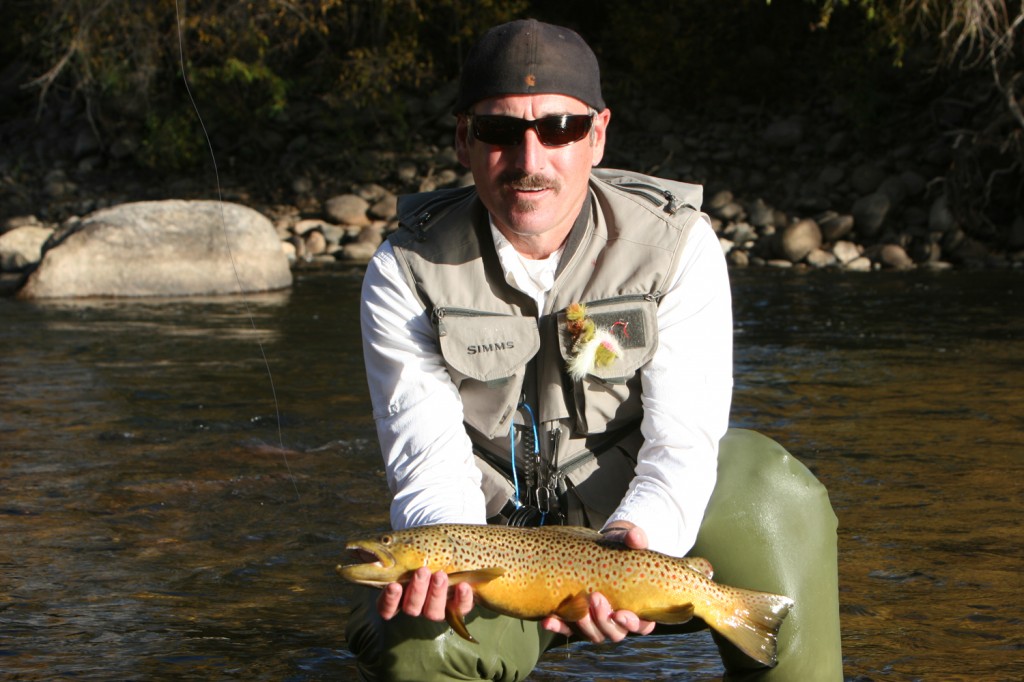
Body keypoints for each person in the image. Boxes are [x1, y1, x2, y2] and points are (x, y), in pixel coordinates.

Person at [347, 18, 842, 681]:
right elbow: (427, 460)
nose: (530, 161)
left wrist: (635, 548)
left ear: (598, 135)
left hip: (638, 527)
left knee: (772, 488)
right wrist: (449, 565)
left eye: (560, 129)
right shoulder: (405, 268)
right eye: (500, 131)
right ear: (464, 140)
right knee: (418, 644)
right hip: (497, 545)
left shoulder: (676, 244)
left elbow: (684, 443)